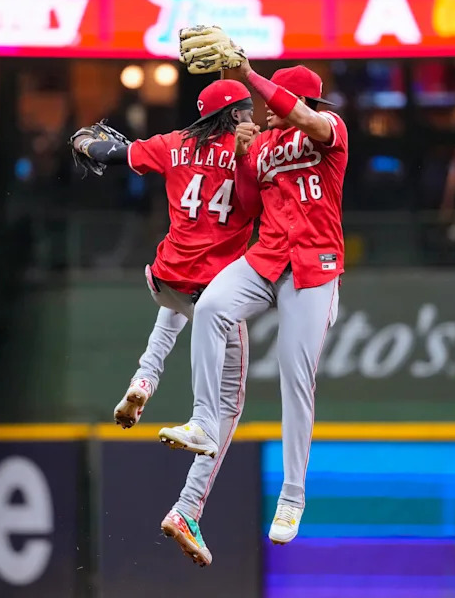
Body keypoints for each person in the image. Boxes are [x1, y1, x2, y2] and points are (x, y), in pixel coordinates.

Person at [70, 79, 261, 566]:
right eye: (248, 110)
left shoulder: (175, 143)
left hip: (164, 279)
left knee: (177, 302)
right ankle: (187, 508)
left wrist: (84, 141)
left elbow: (113, 153)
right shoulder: (253, 154)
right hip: (212, 295)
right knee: (228, 407)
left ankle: (144, 378)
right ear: (238, 114)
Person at [158, 61, 348, 546]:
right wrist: (243, 159)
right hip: (267, 259)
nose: (263, 111)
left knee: (294, 371)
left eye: (270, 102)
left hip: (314, 264)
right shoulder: (262, 145)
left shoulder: (328, 131)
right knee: (210, 308)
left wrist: (247, 73)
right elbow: (247, 201)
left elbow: (298, 114)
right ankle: (203, 420)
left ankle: (292, 497)